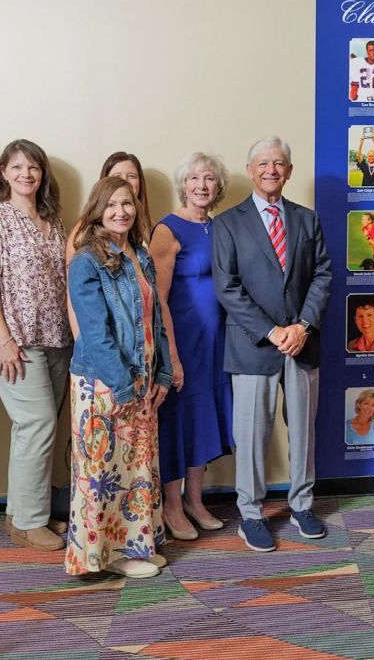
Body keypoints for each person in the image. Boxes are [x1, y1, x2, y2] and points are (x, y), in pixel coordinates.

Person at [211, 136, 332, 552]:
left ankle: (301, 505)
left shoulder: (307, 219)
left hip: (302, 344)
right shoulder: (228, 223)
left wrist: (302, 327)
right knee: (252, 434)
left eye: (279, 163)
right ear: (250, 170)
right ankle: (250, 513)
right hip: (253, 346)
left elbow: (322, 276)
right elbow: (227, 288)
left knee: (302, 431)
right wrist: (272, 331)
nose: (271, 170)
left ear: (289, 171)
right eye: (263, 163)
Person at [0, 139, 74, 551]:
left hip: (56, 339)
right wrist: (6, 341)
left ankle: (23, 513)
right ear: (3, 173)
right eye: (17, 167)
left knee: (35, 429)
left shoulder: (53, 220)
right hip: (14, 339)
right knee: (37, 424)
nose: (26, 174)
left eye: (34, 167)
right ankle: (30, 523)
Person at [65, 176, 171, 579]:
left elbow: (155, 318)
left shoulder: (140, 256)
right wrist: (123, 384)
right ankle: (103, 556)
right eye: (111, 205)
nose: (120, 211)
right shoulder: (86, 261)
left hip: (141, 379)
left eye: (127, 203)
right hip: (103, 384)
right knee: (102, 474)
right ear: (97, 210)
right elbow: (94, 333)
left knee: (136, 469)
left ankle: (136, 544)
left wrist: (159, 371)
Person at [149, 152, 235, 542]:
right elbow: (158, 297)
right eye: (194, 178)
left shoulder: (220, 228)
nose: (202, 185)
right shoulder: (167, 230)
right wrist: (172, 356)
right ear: (183, 184)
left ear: (219, 187)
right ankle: (171, 504)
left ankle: (195, 501)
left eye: (210, 178)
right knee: (176, 422)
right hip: (182, 341)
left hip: (215, 344)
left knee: (203, 420)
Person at [66, 152, 152, 337]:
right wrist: (80, 339)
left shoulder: (148, 226)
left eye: (132, 176)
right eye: (117, 177)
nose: (126, 181)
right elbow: (75, 294)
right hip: (105, 342)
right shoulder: (84, 231)